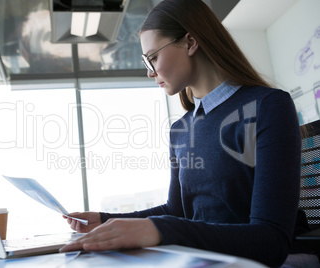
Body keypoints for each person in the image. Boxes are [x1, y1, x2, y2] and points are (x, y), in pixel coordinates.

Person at [60, 0, 319, 267]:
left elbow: (271, 240)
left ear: (190, 43)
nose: (150, 72)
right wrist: (105, 220)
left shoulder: (267, 106)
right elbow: (176, 211)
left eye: (153, 57)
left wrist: (162, 230)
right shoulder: (180, 130)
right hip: (208, 257)